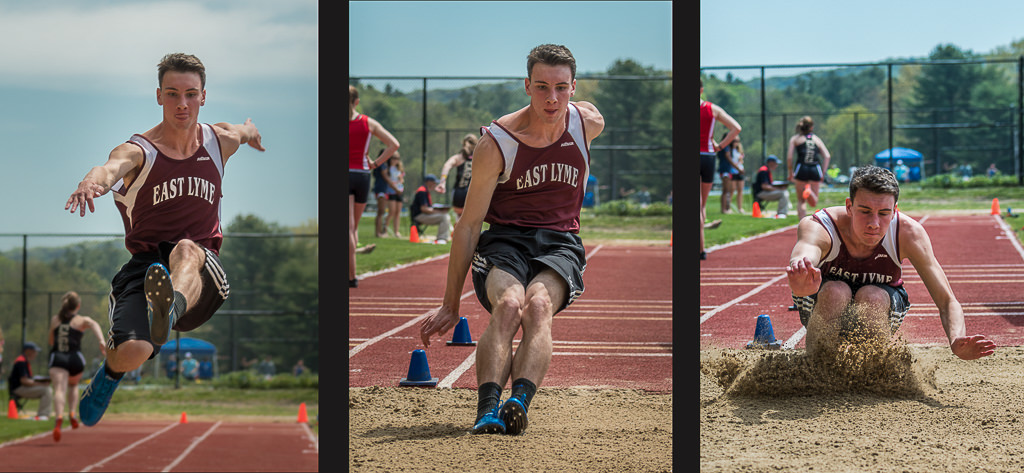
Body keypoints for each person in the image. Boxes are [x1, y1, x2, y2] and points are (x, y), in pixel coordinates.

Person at [64, 53, 263, 427]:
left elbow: (243, 130)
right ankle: (109, 375)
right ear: (159, 96)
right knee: (135, 349)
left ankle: (169, 309)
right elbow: (110, 168)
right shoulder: (140, 151)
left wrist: (251, 131)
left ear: (203, 96)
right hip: (146, 268)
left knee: (187, 248)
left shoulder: (219, 141)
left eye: (190, 94)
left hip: (201, 271)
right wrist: (91, 182)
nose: (182, 104)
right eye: (172, 94)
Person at [419, 44, 604, 436]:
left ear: (573, 88)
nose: (551, 98)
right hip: (505, 240)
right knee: (509, 305)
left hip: (560, 242)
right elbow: (468, 225)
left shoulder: (587, 123)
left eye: (561, 87)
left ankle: (518, 401)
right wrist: (450, 303)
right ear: (526, 86)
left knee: (537, 306)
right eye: (541, 87)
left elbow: (582, 109)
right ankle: (487, 408)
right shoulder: (497, 144)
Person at [786, 165, 996, 362]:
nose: (874, 224)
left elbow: (947, 300)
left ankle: (874, 371)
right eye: (865, 211)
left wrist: (956, 339)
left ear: (895, 211)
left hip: (880, 305)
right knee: (835, 291)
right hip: (822, 302)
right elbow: (804, 255)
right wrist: (801, 277)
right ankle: (816, 369)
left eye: (884, 213)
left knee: (872, 296)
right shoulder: (821, 225)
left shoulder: (908, 233)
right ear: (849, 206)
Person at [350, 84, 401, 288]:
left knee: (349, 228)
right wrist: (375, 163)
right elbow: (394, 145)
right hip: (362, 175)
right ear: (357, 102)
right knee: (353, 227)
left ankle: (351, 276)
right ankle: (351, 275)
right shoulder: (367, 122)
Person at [47, 291, 106, 441]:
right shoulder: (80, 320)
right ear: (78, 306)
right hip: (75, 359)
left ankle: (58, 418)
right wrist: (101, 340)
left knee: (59, 389)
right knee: (73, 386)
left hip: (58, 358)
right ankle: (72, 413)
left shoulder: (55, 320)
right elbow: (93, 324)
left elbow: (51, 341)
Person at [700, 78, 741, 259]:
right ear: (701, 90)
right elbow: (736, 128)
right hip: (708, 157)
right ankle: (702, 249)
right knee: (702, 205)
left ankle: (701, 249)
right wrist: (720, 146)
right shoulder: (712, 109)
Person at [786, 116, 831, 221]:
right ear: (811, 127)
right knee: (813, 202)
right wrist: (823, 173)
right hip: (815, 168)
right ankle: (809, 191)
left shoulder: (795, 139)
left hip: (802, 168)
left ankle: (802, 223)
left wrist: (790, 172)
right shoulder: (816, 139)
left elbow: (789, 157)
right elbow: (827, 156)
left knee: (801, 201)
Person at [435, 134, 478, 222]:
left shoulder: (459, 158)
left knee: (459, 218)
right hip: (473, 193)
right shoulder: (478, 158)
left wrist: (442, 182)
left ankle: (457, 234)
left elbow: (446, 165)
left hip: (459, 192)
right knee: (471, 220)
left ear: (463, 144)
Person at [8, 342, 52, 420]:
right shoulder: (21, 361)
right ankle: (42, 415)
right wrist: (40, 384)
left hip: (22, 387)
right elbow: (24, 381)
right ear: (28, 351)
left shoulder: (24, 361)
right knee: (46, 390)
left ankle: (43, 414)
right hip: (18, 389)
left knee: (47, 388)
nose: (36, 353)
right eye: (34, 351)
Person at [410, 175, 452, 244]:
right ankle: (441, 239)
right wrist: (440, 211)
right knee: (444, 216)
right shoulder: (422, 191)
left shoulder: (425, 191)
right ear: (428, 182)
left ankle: (443, 238)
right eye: (434, 182)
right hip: (419, 216)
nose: (435, 184)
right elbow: (424, 209)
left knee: (445, 215)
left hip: (423, 215)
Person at [717, 132, 745, 214]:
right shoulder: (725, 147)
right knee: (726, 190)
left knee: (727, 190)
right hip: (725, 170)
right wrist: (738, 169)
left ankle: (726, 208)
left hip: (728, 170)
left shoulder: (727, 147)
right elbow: (729, 159)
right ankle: (724, 209)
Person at [384, 153, 406, 238]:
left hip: (399, 191)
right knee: (392, 211)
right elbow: (388, 181)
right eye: (394, 158)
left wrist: (401, 180)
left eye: (397, 158)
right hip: (391, 191)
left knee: (397, 212)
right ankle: (384, 229)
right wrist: (395, 188)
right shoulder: (388, 168)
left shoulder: (399, 169)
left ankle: (396, 231)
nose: (395, 160)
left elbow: (402, 179)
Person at [372, 149, 392, 238]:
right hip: (381, 190)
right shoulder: (382, 164)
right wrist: (395, 188)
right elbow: (386, 177)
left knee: (382, 212)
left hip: (382, 189)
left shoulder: (381, 164)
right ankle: (378, 233)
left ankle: (381, 231)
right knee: (381, 212)